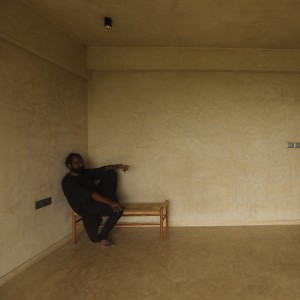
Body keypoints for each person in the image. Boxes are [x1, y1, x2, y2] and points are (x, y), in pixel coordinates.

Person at [61, 152, 129, 248]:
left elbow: (103, 169)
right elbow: (91, 194)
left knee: (110, 173)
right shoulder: (68, 182)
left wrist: (118, 166)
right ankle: (103, 238)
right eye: (77, 163)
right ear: (69, 165)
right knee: (118, 211)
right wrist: (110, 202)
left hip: (95, 199)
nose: (81, 164)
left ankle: (115, 204)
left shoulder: (83, 173)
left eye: (82, 162)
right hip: (85, 207)